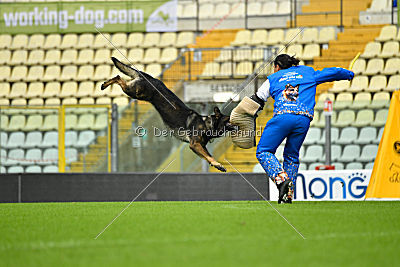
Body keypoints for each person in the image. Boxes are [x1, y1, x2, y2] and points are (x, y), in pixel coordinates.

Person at [249, 54, 354, 204]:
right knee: (291, 156)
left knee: (263, 151)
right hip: (303, 120)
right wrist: (349, 74)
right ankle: (288, 195)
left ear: (277, 66)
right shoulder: (307, 72)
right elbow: (332, 72)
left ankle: (282, 180)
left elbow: (257, 99)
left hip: (283, 117)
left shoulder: (273, 78)